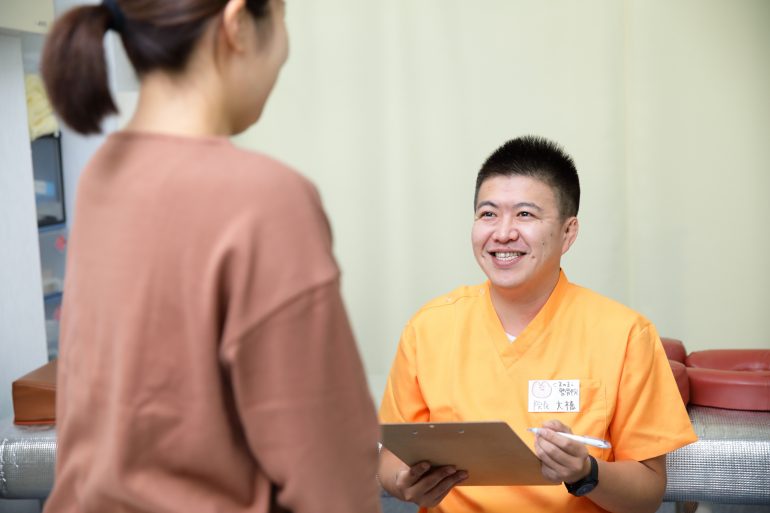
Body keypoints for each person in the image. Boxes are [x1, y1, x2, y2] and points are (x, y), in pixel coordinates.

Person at [40, 1, 381, 512]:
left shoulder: (101, 177)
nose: (285, 48)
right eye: (283, 17)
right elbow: (332, 480)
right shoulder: (265, 199)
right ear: (238, 23)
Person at [377, 136, 697, 513]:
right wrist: (403, 484)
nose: (503, 232)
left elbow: (647, 493)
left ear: (568, 233)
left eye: (525, 214)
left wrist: (586, 472)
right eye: (488, 213)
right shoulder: (428, 328)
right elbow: (391, 458)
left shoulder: (626, 334)